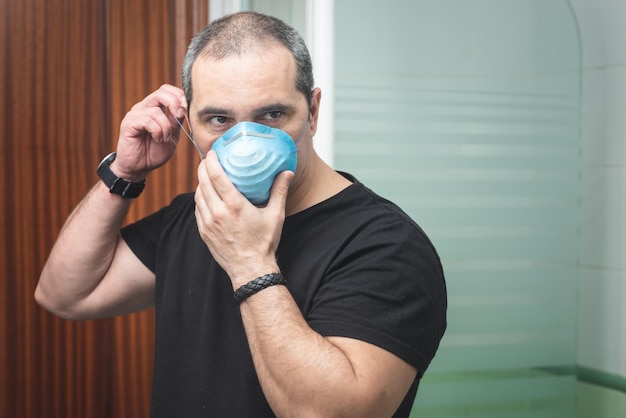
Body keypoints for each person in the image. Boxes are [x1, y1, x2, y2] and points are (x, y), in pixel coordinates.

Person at [35, 11, 447, 418]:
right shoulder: (196, 216)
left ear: (313, 112)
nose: (246, 140)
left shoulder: (386, 245)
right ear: (189, 125)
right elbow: (68, 294)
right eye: (219, 119)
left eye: (271, 115)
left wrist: (249, 262)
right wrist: (124, 173)